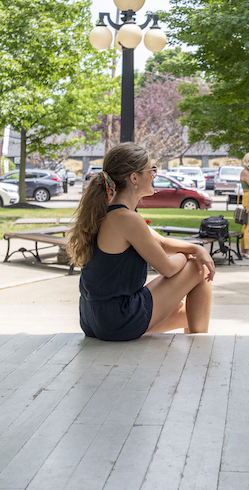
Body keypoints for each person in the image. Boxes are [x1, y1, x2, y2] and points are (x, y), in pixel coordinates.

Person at [67, 142, 215, 341]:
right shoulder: (126, 219)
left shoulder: (114, 212)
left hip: (96, 319)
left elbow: (161, 243)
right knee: (200, 268)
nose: (155, 175)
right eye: (151, 170)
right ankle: (200, 348)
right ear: (134, 178)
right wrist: (192, 255)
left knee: (186, 313)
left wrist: (197, 248)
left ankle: (196, 337)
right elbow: (169, 269)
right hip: (118, 319)